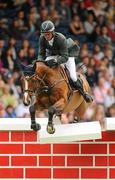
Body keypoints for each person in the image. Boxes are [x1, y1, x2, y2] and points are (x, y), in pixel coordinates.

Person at [37, 20, 93, 102]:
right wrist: (40, 62)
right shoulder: (42, 38)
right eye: (44, 34)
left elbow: (65, 57)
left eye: (48, 34)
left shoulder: (61, 38)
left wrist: (55, 61)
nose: (46, 36)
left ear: (53, 32)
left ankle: (84, 93)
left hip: (67, 55)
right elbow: (41, 53)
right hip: (53, 54)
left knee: (73, 77)